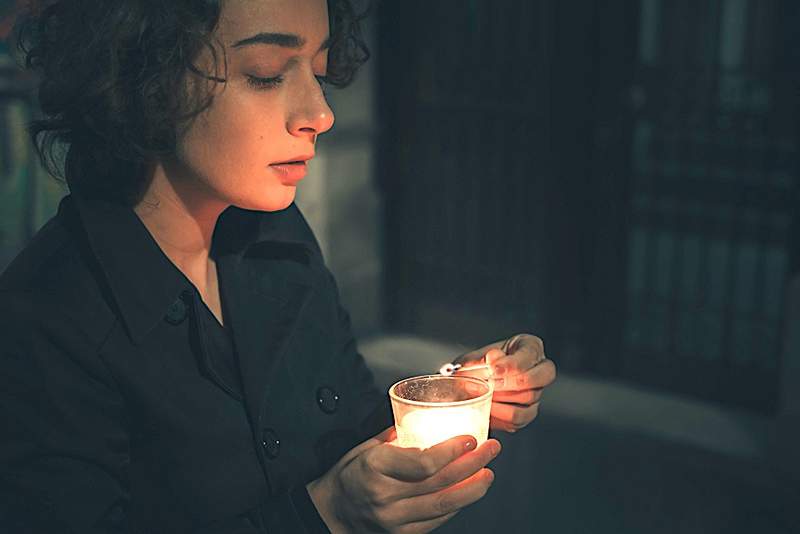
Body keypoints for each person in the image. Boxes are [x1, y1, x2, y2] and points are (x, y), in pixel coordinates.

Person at [0, 0, 558, 532]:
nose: (321, 114)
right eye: (266, 73)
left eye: (317, 70)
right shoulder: (45, 319)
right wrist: (328, 516)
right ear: (144, 76)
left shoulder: (275, 239)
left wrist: (446, 396)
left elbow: (342, 435)